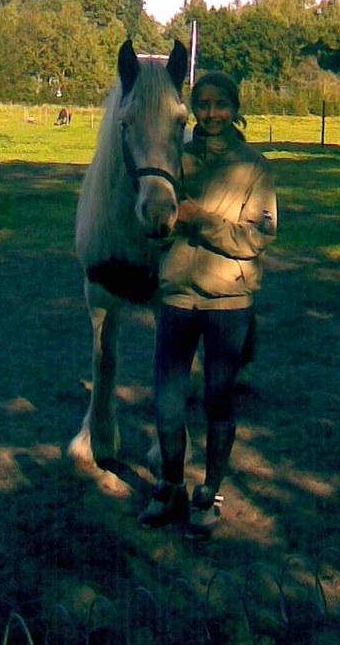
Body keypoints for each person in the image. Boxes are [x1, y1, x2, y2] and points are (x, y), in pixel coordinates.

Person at [138, 71, 277, 538]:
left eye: (221, 104)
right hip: (177, 295)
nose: (212, 113)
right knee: (167, 403)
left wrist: (201, 220)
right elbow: (156, 218)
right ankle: (171, 485)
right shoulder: (175, 161)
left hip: (228, 303)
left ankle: (210, 491)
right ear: (193, 109)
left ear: (235, 108)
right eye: (203, 105)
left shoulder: (254, 167)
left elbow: (255, 238)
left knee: (219, 402)